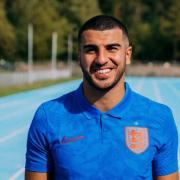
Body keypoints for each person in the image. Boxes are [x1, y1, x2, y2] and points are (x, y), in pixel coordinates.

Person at [25, 15, 179, 180]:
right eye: (91, 49)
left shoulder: (159, 118)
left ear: (127, 55)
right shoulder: (48, 117)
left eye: (112, 48)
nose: (101, 59)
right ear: (79, 56)